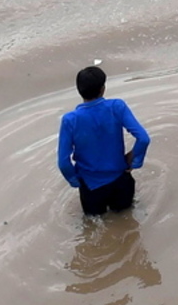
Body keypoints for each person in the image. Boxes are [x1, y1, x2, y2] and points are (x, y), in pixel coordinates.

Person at [58, 66, 151, 216]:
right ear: (102, 89)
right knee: (126, 219)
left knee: (93, 228)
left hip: (91, 188)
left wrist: (75, 180)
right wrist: (134, 160)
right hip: (121, 182)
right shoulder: (117, 107)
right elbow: (143, 139)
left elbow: (63, 162)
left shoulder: (70, 120)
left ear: (78, 90)